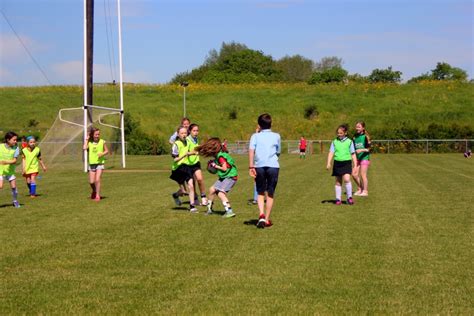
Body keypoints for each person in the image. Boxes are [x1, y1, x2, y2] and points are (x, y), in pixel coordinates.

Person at [249, 113, 281, 228]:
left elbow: (251, 151)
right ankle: (266, 219)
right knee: (270, 193)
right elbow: (278, 151)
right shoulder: (277, 136)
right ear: (271, 124)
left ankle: (261, 215)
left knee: (260, 191)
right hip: (273, 166)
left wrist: (251, 166)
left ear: (259, 125)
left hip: (259, 166)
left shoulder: (255, 136)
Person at [196, 137, 237, 218]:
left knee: (220, 192)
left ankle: (229, 211)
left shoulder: (221, 157)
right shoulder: (218, 154)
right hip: (225, 176)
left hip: (230, 176)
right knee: (212, 190)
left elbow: (224, 168)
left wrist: (215, 166)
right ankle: (209, 210)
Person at [326, 124, 357, 205]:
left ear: (345, 133)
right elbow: (331, 152)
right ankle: (338, 199)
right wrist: (328, 163)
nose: (339, 134)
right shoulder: (334, 142)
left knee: (347, 179)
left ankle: (349, 198)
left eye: (341, 133)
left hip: (347, 163)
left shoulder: (349, 141)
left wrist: (355, 165)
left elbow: (353, 154)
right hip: (337, 163)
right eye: (338, 133)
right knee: (338, 182)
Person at [170, 126, 197, 212]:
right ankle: (175, 195)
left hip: (186, 166)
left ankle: (192, 206)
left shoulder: (188, 142)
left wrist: (194, 152)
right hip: (178, 168)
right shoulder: (176, 144)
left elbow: (189, 152)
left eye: (185, 133)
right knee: (183, 191)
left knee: (191, 185)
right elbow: (175, 159)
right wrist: (184, 155)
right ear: (178, 134)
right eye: (182, 133)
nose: (184, 135)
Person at [83, 127, 109, 201]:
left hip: (100, 163)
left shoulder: (102, 141)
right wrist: (87, 139)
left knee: (97, 180)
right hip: (92, 164)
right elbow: (84, 147)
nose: (97, 136)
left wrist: (102, 153)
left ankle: (98, 195)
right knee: (91, 182)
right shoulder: (90, 142)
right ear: (92, 135)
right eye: (96, 134)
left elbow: (107, 151)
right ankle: (94, 191)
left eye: (98, 134)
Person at [186, 123, 208, 206]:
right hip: (188, 164)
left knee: (200, 179)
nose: (196, 132)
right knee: (193, 182)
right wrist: (194, 152)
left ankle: (203, 196)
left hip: (196, 163)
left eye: (197, 131)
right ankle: (195, 198)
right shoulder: (187, 140)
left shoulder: (196, 139)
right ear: (190, 131)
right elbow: (186, 153)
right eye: (194, 131)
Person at [0, 131, 21, 208]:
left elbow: (14, 160)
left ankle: (15, 201)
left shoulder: (16, 148)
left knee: (13, 187)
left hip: (10, 171)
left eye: (16, 140)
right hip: (0, 170)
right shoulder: (0, 146)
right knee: (0, 186)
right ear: (8, 140)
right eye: (14, 140)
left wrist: (6, 162)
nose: (15, 141)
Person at [352, 121, 371, 196]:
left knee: (363, 175)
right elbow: (352, 148)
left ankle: (365, 191)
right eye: (356, 127)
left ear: (363, 128)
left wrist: (361, 150)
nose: (357, 128)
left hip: (364, 158)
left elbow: (369, 149)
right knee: (354, 174)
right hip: (357, 159)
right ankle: (360, 189)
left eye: (359, 127)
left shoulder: (366, 137)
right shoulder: (354, 137)